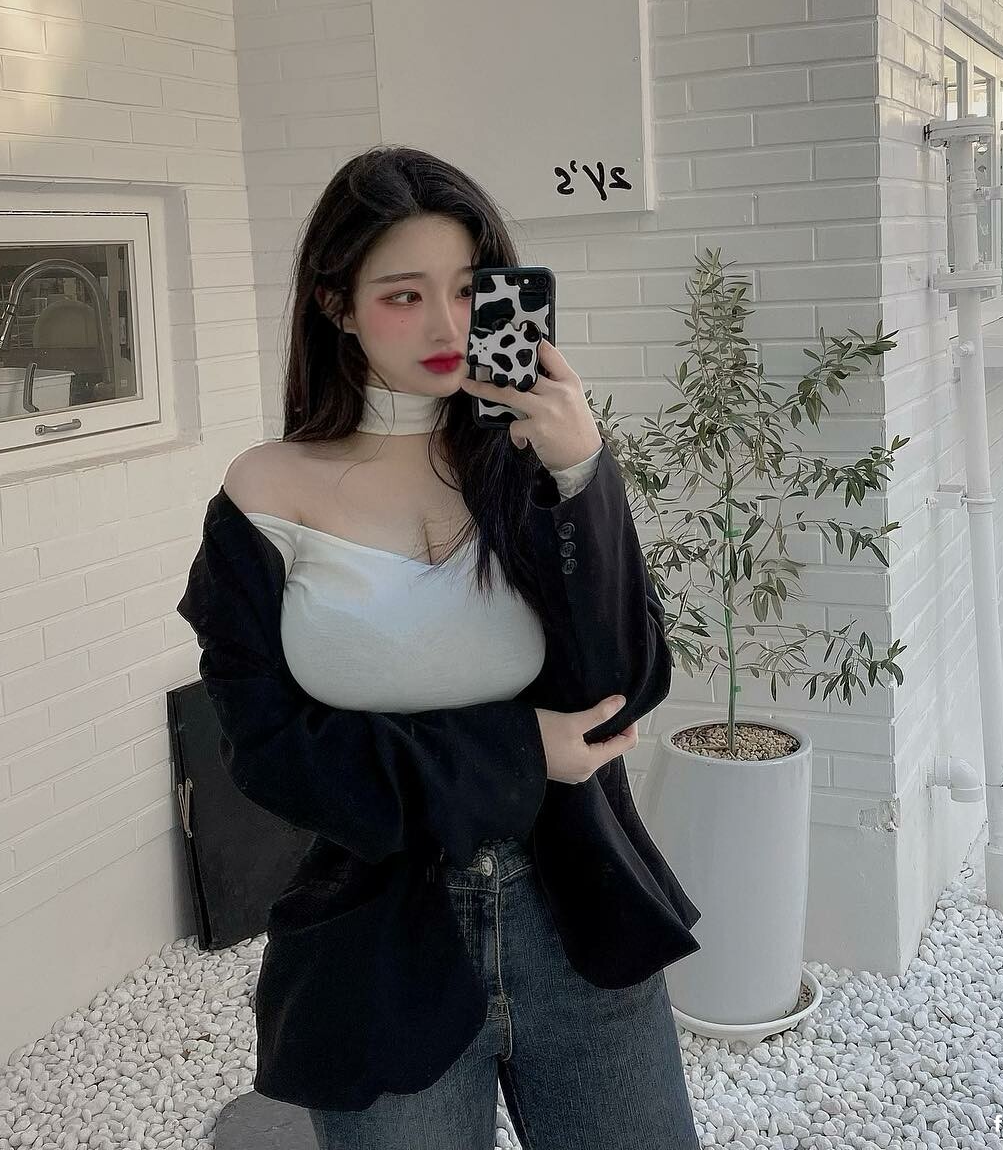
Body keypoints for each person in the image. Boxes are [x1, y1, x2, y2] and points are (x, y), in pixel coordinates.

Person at [177, 146, 702, 1149]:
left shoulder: (525, 461)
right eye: (403, 295)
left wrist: (584, 476)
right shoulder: (265, 493)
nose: (448, 328)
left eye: (468, 289)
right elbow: (271, 753)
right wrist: (518, 752)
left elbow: (625, 684)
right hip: (376, 944)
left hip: (578, 914)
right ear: (336, 305)